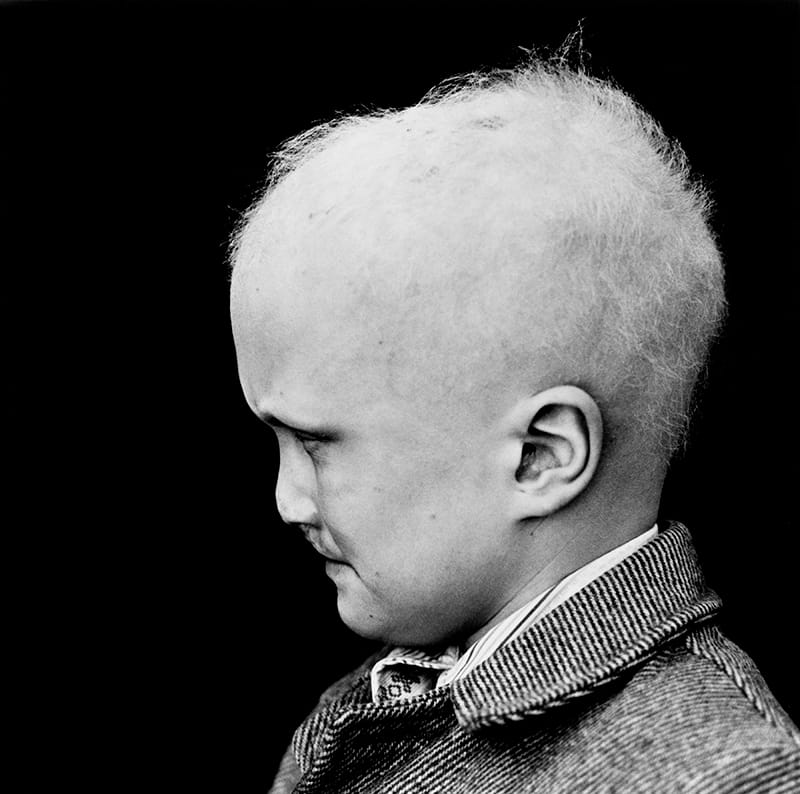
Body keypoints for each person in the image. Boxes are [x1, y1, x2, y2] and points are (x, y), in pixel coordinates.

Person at [229, 56, 800, 793]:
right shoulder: (376, 700)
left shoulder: (719, 774)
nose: (287, 501)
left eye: (316, 444)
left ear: (540, 456)